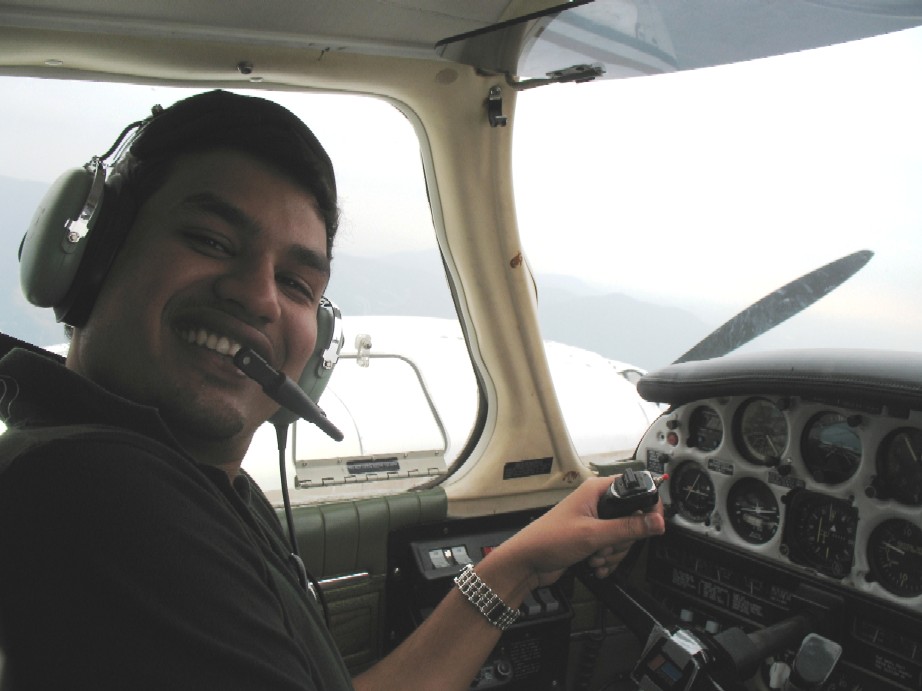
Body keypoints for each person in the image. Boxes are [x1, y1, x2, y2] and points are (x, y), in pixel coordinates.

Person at [0, 89, 665, 690]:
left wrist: (518, 565)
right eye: (209, 239)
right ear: (92, 253)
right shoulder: (98, 492)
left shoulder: (181, 473)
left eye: (297, 284)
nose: (257, 295)